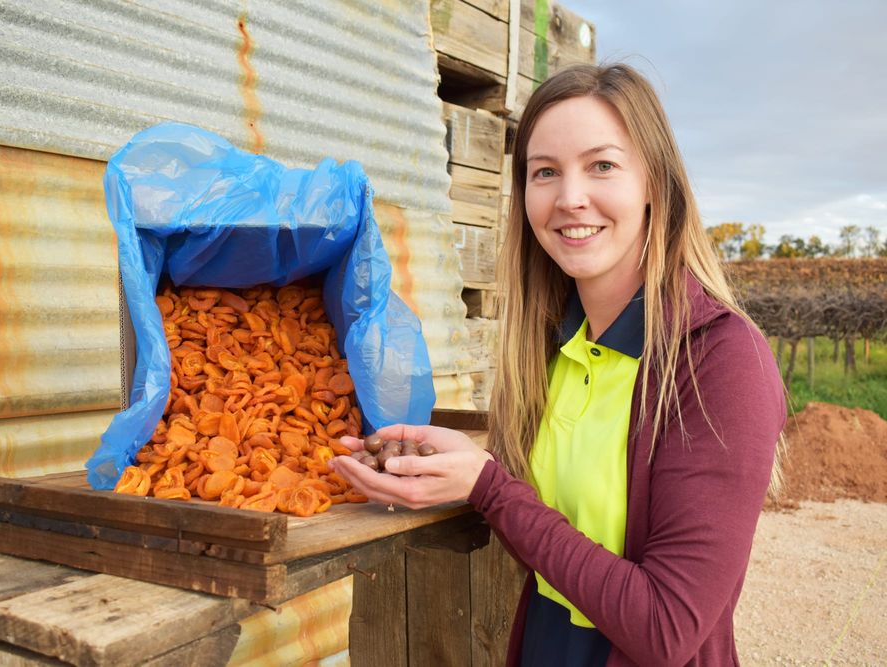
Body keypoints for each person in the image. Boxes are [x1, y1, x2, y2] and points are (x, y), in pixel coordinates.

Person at [330, 62, 785, 666]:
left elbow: (668, 629)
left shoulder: (722, 360)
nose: (570, 198)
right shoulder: (556, 348)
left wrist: (490, 488)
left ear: (655, 183)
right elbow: (555, 548)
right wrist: (454, 478)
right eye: (545, 172)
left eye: (602, 165)